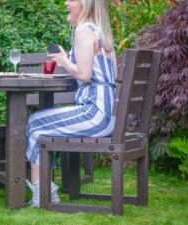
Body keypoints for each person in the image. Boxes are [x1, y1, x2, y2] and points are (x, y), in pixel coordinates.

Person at [25, 0, 117, 207]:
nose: (66, 3)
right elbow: (112, 76)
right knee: (40, 127)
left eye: (71, 0)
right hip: (110, 117)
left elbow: (84, 76)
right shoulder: (101, 32)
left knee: (34, 123)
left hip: (94, 114)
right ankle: (48, 190)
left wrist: (64, 61)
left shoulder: (84, 30)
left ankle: (42, 194)